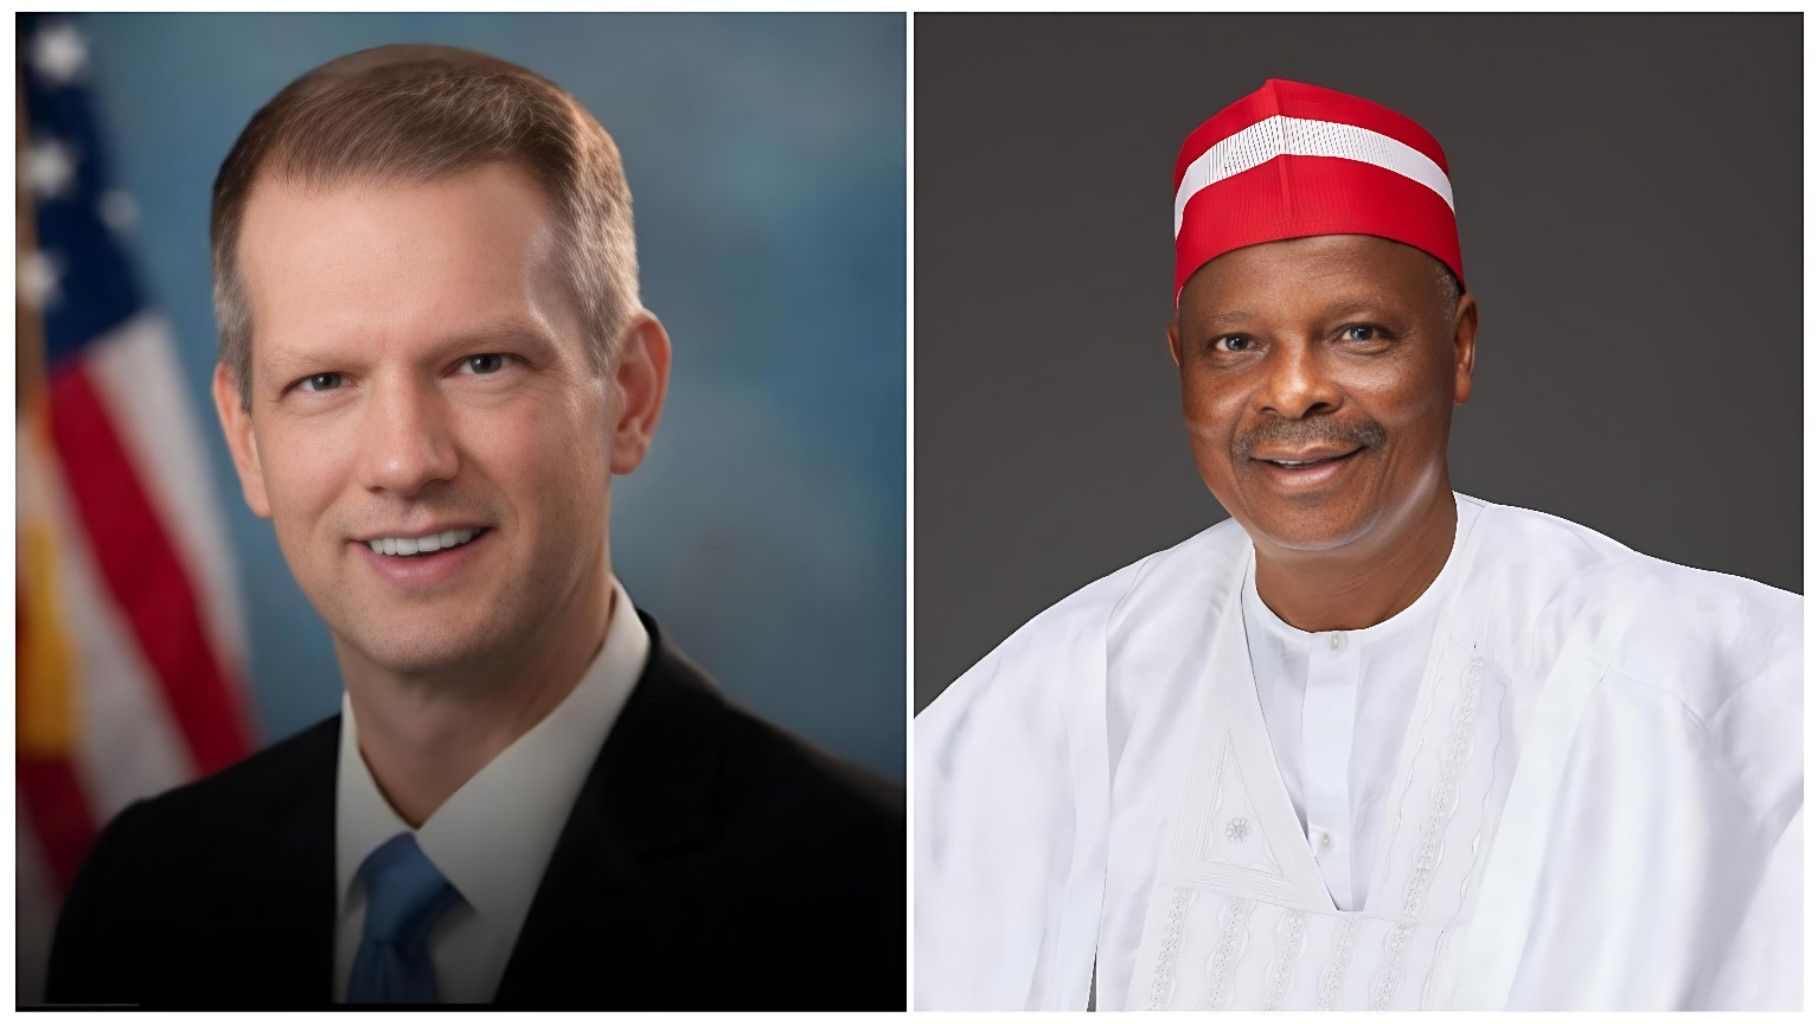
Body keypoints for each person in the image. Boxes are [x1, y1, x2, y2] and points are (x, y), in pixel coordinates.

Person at [45, 44, 903, 1009]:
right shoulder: (143, 895)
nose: (406, 462)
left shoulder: (885, 899)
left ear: (628, 396)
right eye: (324, 382)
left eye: (481, 364)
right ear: (247, 438)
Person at [914, 78, 1800, 1010]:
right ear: (1181, 366)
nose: (1294, 391)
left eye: (1359, 333)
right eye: (1236, 345)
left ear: (1457, 348)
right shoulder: (1070, 689)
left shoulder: (1680, 673)